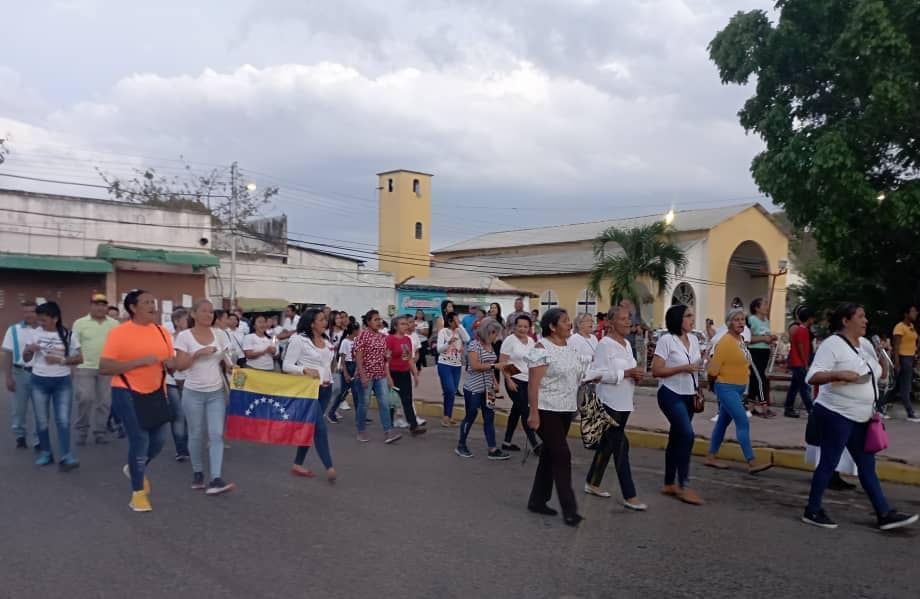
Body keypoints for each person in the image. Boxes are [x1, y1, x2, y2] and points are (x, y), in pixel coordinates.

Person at [802, 302, 917, 530]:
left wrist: (883, 357)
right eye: (861, 316)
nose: (866, 321)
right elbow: (812, 376)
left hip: (862, 416)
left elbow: (879, 373)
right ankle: (812, 510)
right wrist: (837, 373)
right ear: (846, 321)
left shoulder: (864, 344)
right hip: (836, 413)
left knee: (866, 465)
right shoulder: (832, 344)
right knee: (829, 462)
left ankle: (884, 514)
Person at [100, 290, 176, 512]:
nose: (153, 306)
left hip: (156, 392)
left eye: (153, 301)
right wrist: (138, 362)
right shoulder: (120, 333)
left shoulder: (162, 332)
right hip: (126, 390)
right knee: (140, 440)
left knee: (160, 440)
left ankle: (134, 467)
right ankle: (138, 494)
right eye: (146, 302)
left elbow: (169, 361)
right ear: (133, 308)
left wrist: (174, 363)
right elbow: (104, 367)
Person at [525, 308, 592, 526]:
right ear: (552, 326)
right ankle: (570, 510)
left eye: (568, 320)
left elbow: (577, 376)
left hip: (566, 409)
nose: (569, 324)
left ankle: (537, 500)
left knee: (550, 455)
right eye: (564, 321)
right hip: (546, 409)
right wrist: (533, 413)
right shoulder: (541, 348)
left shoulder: (570, 348)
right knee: (562, 454)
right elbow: (533, 385)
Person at [584, 305, 647, 510]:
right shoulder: (605, 344)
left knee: (608, 444)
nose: (628, 322)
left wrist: (635, 376)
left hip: (624, 402)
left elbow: (628, 371)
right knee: (621, 446)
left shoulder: (627, 345)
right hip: (609, 402)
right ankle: (630, 495)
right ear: (611, 322)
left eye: (629, 318)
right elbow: (598, 375)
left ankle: (593, 482)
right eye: (622, 319)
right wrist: (626, 374)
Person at [173, 299, 235, 496]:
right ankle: (198, 472)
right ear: (193, 314)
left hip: (216, 392)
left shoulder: (220, 334)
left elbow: (226, 359)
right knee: (196, 434)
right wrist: (198, 353)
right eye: (204, 311)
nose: (209, 315)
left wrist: (231, 366)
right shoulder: (184, 336)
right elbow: (180, 365)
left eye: (211, 312)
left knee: (216, 434)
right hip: (193, 393)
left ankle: (215, 478)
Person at [704, 308, 773, 474]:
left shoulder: (740, 341)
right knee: (743, 421)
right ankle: (751, 461)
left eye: (743, 320)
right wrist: (713, 385)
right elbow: (713, 370)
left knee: (722, 423)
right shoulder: (725, 342)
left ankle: (711, 456)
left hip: (737, 389)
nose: (741, 323)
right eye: (736, 320)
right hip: (726, 387)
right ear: (729, 323)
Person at [651, 304, 703, 506]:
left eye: (692, 315)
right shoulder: (666, 340)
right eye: (688, 315)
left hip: (689, 394)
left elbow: (696, 367)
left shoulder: (694, 340)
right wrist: (683, 368)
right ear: (678, 319)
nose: (692, 318)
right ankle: (684, 485)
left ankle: (668, 483)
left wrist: (699, 381)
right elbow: (656, 370)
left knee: (676, 437)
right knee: (687, 435)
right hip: (670, 394)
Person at [26, 301, 83, 470]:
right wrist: (29, 350)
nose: (40, 323)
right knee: (42, 420)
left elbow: (80, 358)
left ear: (55, 318)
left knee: (63, 420)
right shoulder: (34, 334)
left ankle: (66, 455)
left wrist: (62, 360)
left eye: (44, 320)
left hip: (62, 382)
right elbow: (27, 358)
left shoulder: (68, 335)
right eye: (39, 320)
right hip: (39, 380)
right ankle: (46, 453)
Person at [283, 308, 337, 482]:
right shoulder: (299, 340)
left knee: (311, 427)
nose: (325, 322)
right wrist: (304, 369)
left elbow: (328, 364)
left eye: (325, 319)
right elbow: (287, 365)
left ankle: (297, 463)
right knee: (320, 428)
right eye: (321, 320)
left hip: (326, 390)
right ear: (312, 323)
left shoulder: (326, 340)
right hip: (308, 391)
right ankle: (329, 466)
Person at [455, 318, 509, 460]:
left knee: (489, 417)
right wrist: (494, 366)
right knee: (471, 416)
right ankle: (461, 444)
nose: (496, 336)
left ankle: (492, 448)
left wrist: (495, 381)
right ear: (488, 332)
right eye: (494, 333)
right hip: (474, 388)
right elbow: (475, 366)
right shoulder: (474, 345)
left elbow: (490, 367)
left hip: (488, 388)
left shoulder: (491, 347)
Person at [72, 293, 119, 446]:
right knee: (85, 398)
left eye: (103, 304)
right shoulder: (80, 323)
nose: (100, 307)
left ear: (106, 307)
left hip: (106, 368)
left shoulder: (114, 324)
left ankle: (100, 432)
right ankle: (82, 431)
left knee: (105, 402)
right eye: (96, 304)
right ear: (91, 305)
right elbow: (74, 344)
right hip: (85, 367)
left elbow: (120, 344)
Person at [353, 310, 401, 444]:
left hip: (380, 375)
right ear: (368, 322)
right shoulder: (362, 336)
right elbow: (358, 357)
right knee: (364, 404)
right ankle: (361, 430)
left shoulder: (383, 337)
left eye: (380, 319)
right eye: (375, 319)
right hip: (366, 375)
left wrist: (387, 359)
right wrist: (362, 375)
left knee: (384, 403)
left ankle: (388, 431)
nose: (379, 322)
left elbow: (385, 358)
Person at [499, 313, 539, 452]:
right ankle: (535, 445)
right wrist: (508, 380)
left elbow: (533, 361)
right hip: (514, 379)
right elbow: (503, 362)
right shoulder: (510, 340)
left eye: (525, 326)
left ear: (529, 327)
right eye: (519, 326)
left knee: (516, 411)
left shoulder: (531, 341)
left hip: (526, 381)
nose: (522, 329)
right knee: (525, 411)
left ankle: (506, 442)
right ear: (515, 326)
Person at [2, 299, 39, 449]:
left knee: (40, 409)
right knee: (19, 409)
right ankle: (20, 436)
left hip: (40, 374)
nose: (29, 315)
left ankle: (39, 440)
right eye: (25, 312)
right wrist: (8, 377)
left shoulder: (44, 330)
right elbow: (8, 353)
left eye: (32, 311)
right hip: (20, 373)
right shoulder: (13, 330)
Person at [386, 316, 426, 436]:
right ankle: (388, 425)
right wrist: (389, 378)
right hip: (393, 373)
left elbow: (409, 359)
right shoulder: (390, 340)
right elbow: (386, 361)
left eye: (406, 324)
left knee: (407, 400)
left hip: (404, 373)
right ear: (395, 326)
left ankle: (413, 426)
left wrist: (415, 374)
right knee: (393, 401)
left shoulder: (407, 340)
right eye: (402, 324)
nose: (406, 326)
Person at [436, 312, 470, 427]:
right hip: (444, 364)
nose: (457, 322)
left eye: (458, 319)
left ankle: (448, 416)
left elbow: (467, 338)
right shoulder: (443, 332)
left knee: (452, 392)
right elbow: (439, 349)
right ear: (450, 321)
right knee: (449, 390)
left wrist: (460, 326)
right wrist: (448, 343)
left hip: (456, 365)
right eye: (455, 320)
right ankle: (446, 416)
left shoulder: (459, 331)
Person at [166, 307, 190, 462]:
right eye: (186, 319)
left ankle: (187, 446)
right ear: (176, 321)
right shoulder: (169, 339)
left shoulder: (193, 337)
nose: (189, 322)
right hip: (173, 381)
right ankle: (181, 449)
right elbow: (167, 361)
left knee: (189, 416)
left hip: (191, 382)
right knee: (179, 415)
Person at [747, 297, 777, 418]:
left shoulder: (766, 321)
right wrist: (763, 338)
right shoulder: (751, 320)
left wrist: (771, 338)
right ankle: (764, 407)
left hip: (764, 352)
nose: (767, 307)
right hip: (754, 352)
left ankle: (750, 407)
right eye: (764, 304)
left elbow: (766, 335)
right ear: (756, 308)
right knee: (760, 379)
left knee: (754, 380)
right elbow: (747, 338)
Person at [784, 307, 816, 418]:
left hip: (796, 362)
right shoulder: (803, 330)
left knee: (795, 386)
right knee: (804, 387)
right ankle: (810, 409)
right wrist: (805, 362)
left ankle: (788, 407)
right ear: (810, 319)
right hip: (799, 363)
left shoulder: (800, 329)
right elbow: (801, 346)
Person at [891, 304, 920, 422]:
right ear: (906, 314)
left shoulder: (912, 327)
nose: (916, 313)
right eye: (913, 311)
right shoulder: (899, 327)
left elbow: (912, 343)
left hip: (910, 358)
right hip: (903, 358)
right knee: (906, 386)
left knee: (897, 387)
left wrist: (915, 354)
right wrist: (897, 363)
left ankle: (879, 406)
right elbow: (896, 347)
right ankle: (910, 413)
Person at [328, 323, 360, 422]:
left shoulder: (357, 340)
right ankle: (331, 412)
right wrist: (346, 373)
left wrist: (357, 369)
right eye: (357, 330)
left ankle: (360, 416)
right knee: (342, 392)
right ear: (353, 331)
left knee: (357, 393)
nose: (359, 332)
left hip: (355, 365)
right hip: (348, 366)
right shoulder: (345, 342)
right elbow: (342, 359)